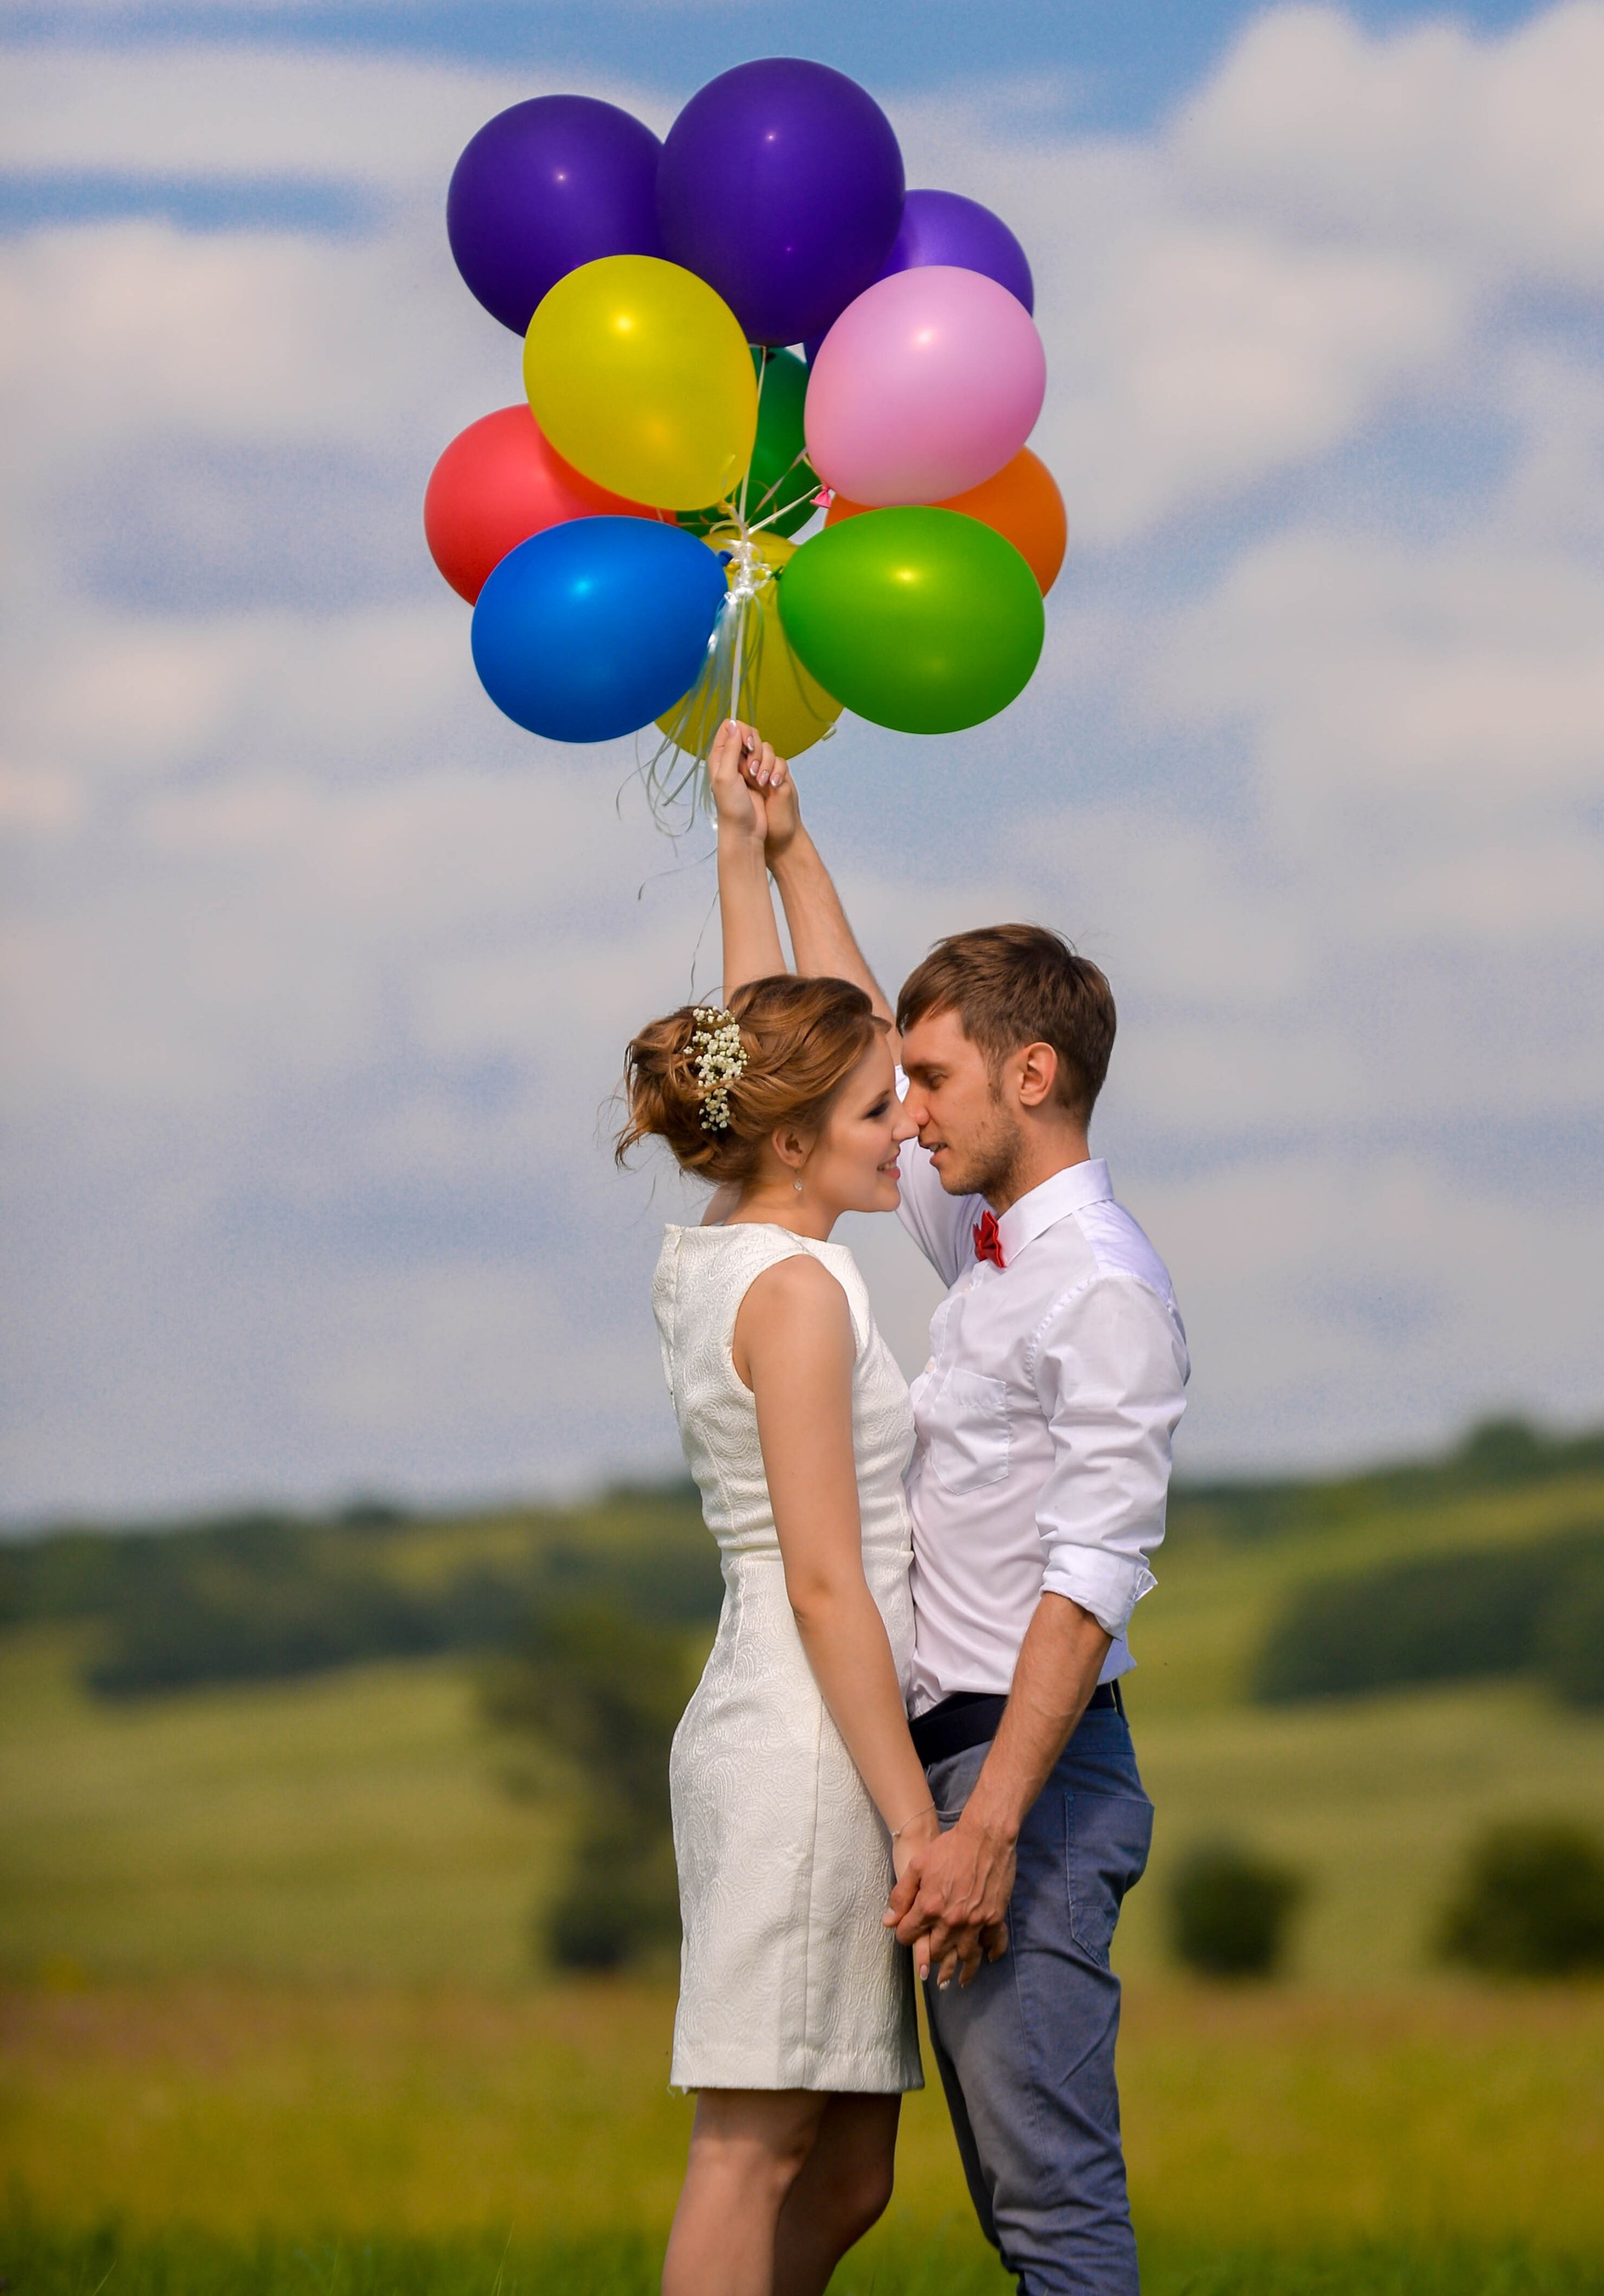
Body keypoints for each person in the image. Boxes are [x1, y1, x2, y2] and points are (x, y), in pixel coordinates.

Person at [711, 720, 1190, 2296]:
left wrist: (985, 1829)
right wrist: (788, 849)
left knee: (1053, 2204)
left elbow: (1092, 1573)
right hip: (959, 1768)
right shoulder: (990, 1249)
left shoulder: (1101, 1291)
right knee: (1008, 2200)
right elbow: (844, 1051)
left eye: (931, 1079)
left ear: (1030, 1076)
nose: (902, 1111)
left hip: (1028, 1786)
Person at [621, 836, 999, 2296]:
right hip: (807, 1742)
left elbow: (779, 1030)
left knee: (846, 2172)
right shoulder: (786, 1291)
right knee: (754, 2149)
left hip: (828, 1731)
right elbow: (826, 1581)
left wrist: (761, 848)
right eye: (870, 1107)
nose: (902, 1123)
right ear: (789, 1137)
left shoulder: (750, 1230)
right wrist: (918, 1824)